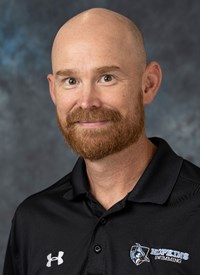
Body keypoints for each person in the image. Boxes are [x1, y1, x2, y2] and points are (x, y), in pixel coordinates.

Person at [3, 8, 200, 275]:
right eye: (70, 80)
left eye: (107, 78)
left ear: (148, 84)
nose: (86, 101)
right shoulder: (33, 221)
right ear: (53, 90)